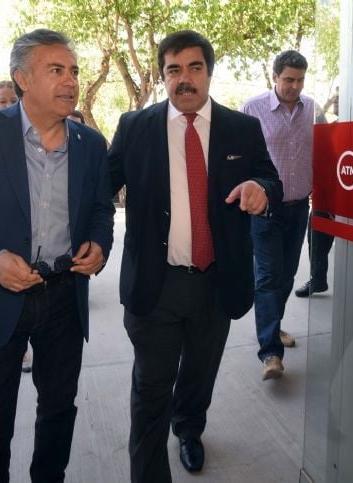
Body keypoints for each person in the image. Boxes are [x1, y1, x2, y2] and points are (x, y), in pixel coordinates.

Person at [0, 28, 114, 482]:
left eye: (74, 71)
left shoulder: (90, 143)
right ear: (22, 79)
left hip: (63, 299)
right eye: (56, 70)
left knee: (58, 415)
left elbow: (101, 209)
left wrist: (99, 244)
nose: (70, 81)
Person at [108, 30, 281, 481]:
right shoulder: (134, 128)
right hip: (156, 284)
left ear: (209, 72)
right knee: (151, 389)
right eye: (174, 70)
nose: (184, 79)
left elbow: (271, 179)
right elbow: (98, 192)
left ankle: (188, 428)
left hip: (216, 283)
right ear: (162, 76)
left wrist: (260, 188)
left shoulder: (242, 128)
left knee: (200, 375)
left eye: (194, 67)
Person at [240, 50, 326, 380]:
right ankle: (271, 353)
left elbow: (326, 150)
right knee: (267, 276)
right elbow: (238, 156)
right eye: (289, 79)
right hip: (265, 210)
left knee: (287, 274)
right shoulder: (252, 108)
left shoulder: (313, 110)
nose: (295, 86)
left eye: (300, 80)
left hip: (299, 207)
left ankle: (273, 327)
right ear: (274, 77)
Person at [296, 87, 338, 299]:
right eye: (336, 96)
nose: (336, 99)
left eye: (340, 96)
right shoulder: (333, 127)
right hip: (327, 192)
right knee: (316, 233)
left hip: (345, 193)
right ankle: (318, 279)